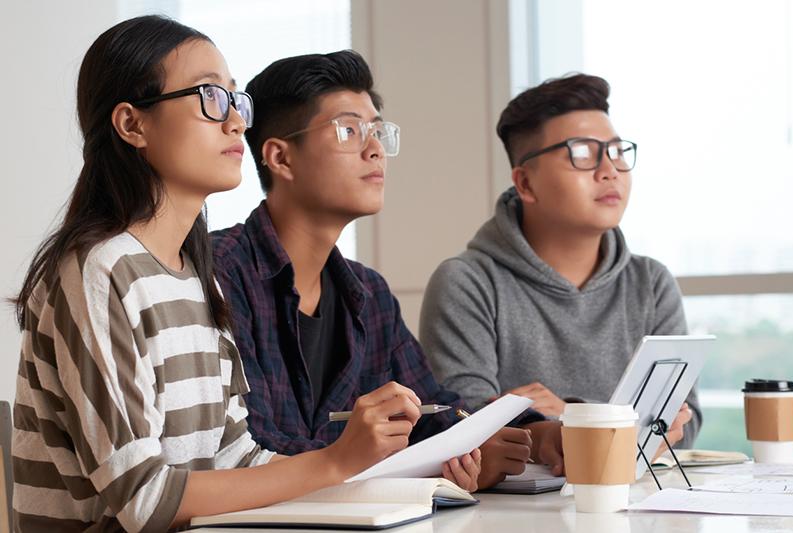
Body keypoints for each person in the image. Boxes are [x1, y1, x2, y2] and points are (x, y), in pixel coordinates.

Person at [11, 17, 479, 532]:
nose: (236, 122)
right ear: (132, 124)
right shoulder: (99, 270)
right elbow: (142, 497)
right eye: (211, 97)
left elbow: (239, 458)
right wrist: (336, 461)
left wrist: (380, 481)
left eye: (236, 101)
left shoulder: (197, 278)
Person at [212, 50, 565, 487]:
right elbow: (254, 447)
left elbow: (434, 409)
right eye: (349, 130)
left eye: (378, 131)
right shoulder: (220, 275)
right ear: (281, 159)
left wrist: (536, 432)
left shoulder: (368, 293)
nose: (376, 149)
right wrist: (430, 460)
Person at [419, 73, 700, 452]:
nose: (610, 170)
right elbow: (462, 422)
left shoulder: (650, 282)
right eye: (582, 153)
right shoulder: (467, 282)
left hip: (637, 502)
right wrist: (625, 424)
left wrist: (570, 415)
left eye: (617, 151)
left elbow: (685, 420)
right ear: (526, 183)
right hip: (513, 510)